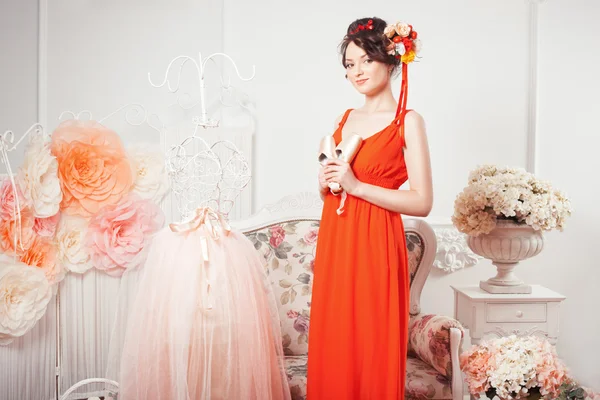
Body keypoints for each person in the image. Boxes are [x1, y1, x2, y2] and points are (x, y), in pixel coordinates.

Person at [307, 16, 433, 399]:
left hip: (376, 243)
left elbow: (423, 201)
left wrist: (356, 185)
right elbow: (332, 191)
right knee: (336, 337)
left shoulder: (407, 121)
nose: (357, 72)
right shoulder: (343, 120)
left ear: (391, 62)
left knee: (371, 341)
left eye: (366, 60)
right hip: (337, 241)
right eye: (349, 64)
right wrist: (326, 182)